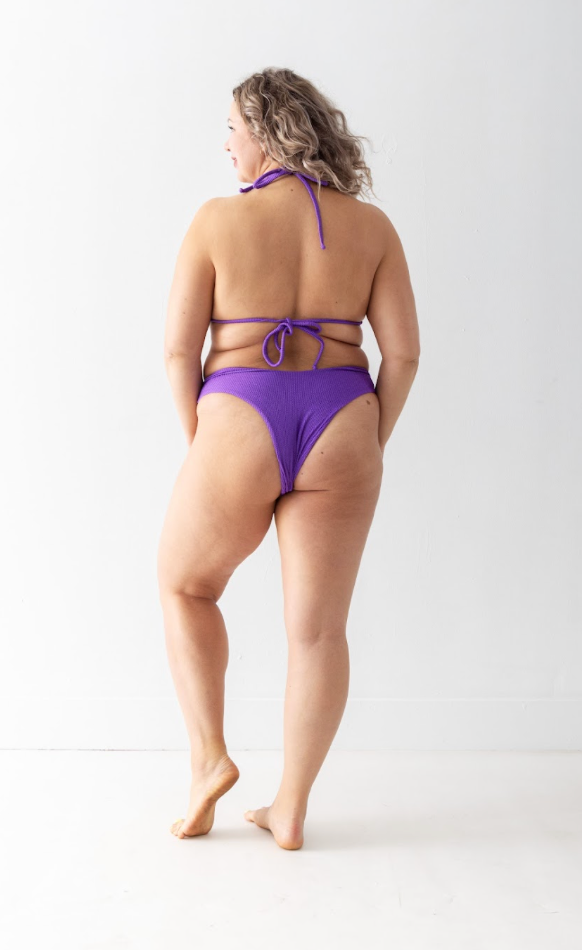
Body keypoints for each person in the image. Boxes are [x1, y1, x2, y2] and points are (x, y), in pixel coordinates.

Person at [157, 67, 420, 850]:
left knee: (184, 585)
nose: (227, 144)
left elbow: (178, 352)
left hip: (240, 414)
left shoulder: (216, 220)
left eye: (234, 128)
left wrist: (203, 441)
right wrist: (369, 440)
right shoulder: (372, 228)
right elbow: (404, 355)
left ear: (268, 132)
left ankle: (210, 760)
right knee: (318, 632)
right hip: (344, 417)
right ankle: (292, 807)